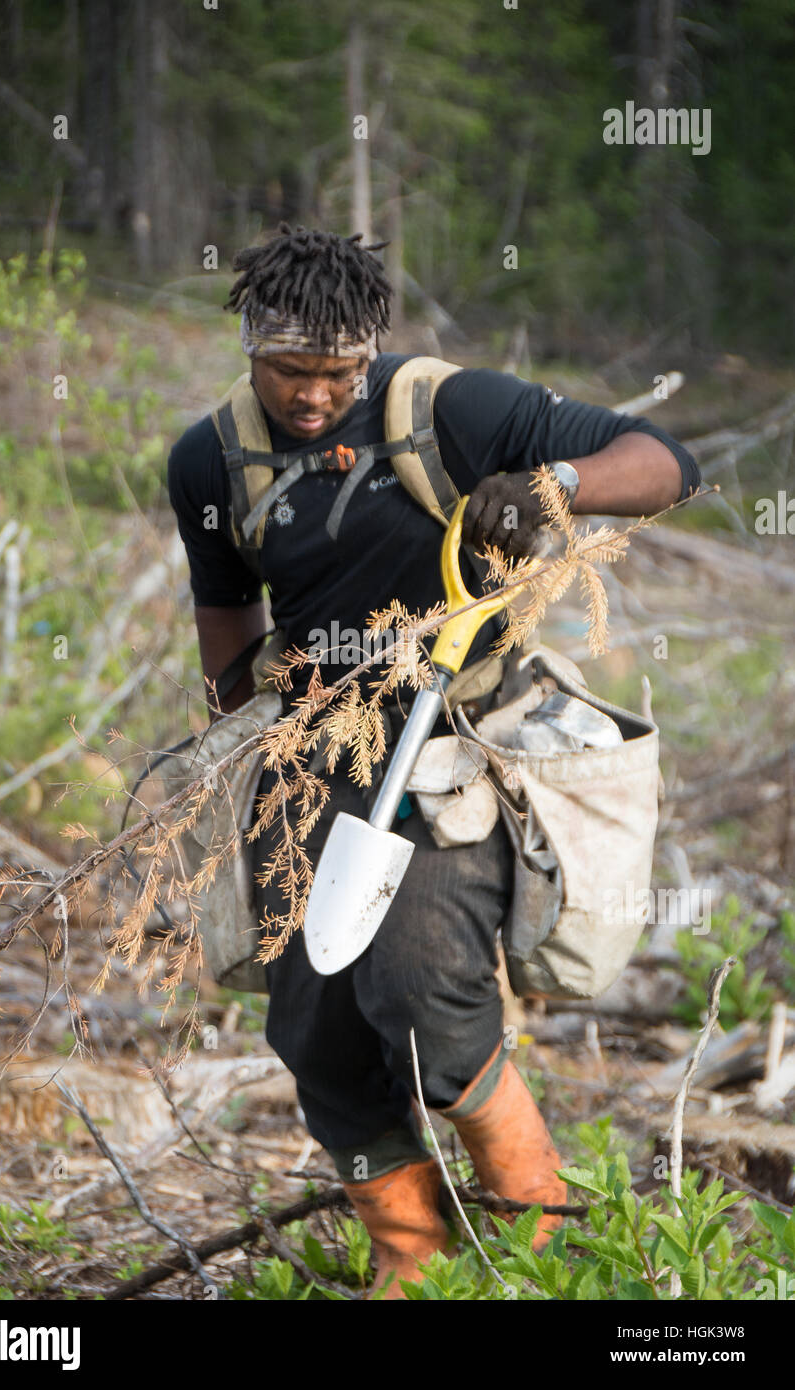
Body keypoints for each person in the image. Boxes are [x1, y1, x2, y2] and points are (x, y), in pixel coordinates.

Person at [167, 223, 701, 1298]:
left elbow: (664, 465)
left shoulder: (448, 409)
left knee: (420, 991)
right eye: (285, 371)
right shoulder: (210, 457)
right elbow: (224, 606)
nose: (311, 395)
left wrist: (553, 483)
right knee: (310, 1025)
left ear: (366, 354)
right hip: (311, 748)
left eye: (333, 373)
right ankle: (410, 1252)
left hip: (450, 745)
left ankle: (535, 1221)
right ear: (247, 348)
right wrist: (239, 731)